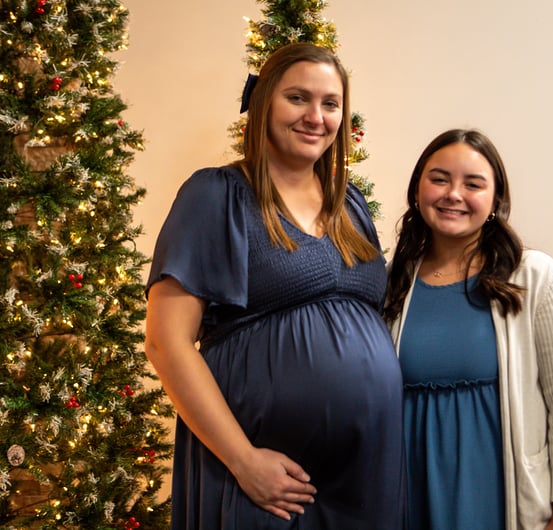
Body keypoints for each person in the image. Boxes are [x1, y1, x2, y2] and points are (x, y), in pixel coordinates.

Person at [144, 42, 405, 529]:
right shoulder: (216, 195)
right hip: (260, 478)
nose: (316, 117)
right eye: (298, 98)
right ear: (263, 103)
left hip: (364, 477)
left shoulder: (350, 203)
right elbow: (165, 342)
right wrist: (243, 460)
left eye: (330, 104)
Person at [384, 129, 553, 530]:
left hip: (502, 503)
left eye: (473, 184)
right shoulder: (392, 282)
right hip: (412, 498)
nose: (454, 194)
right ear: (417, 190)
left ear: (496, 200)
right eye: (439, 179)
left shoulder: (535, 278)